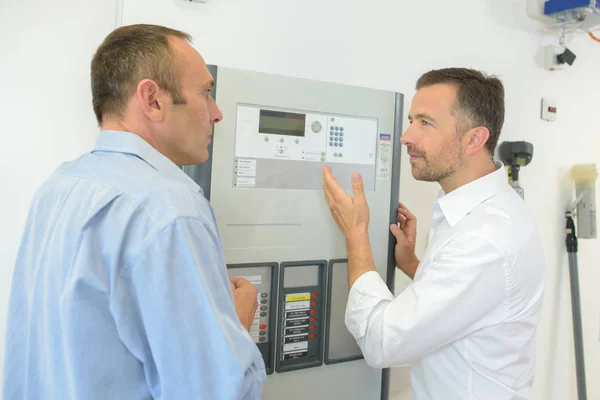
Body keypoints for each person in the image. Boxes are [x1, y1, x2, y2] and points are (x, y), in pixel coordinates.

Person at [3, 24, 266, 399]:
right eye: (206, 94)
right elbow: (212, 391)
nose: (217, 113)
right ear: (152, 99)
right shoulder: (171, 210)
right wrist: (233, 328)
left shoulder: (58, 188)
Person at [322, 68, 545, 399]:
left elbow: (381, 341)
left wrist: (356, 235)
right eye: (411, 119)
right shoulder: (489, 209)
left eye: (425, 123)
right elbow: (471, 299)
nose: (406, 136)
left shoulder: (484, 237)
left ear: (474, 139)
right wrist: (414, 264)